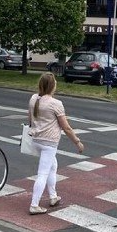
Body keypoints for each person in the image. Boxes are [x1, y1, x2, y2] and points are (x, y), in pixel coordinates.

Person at [28, 72, 84, 214]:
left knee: (53, 166)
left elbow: (30, 119)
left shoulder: (34, 98)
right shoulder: (56, 104)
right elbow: (66, 127)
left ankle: (53, 196)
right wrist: (77, 142)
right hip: (49, 143)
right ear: (52, 86)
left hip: (36, 140)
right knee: (43, 173)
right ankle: (34, 205)